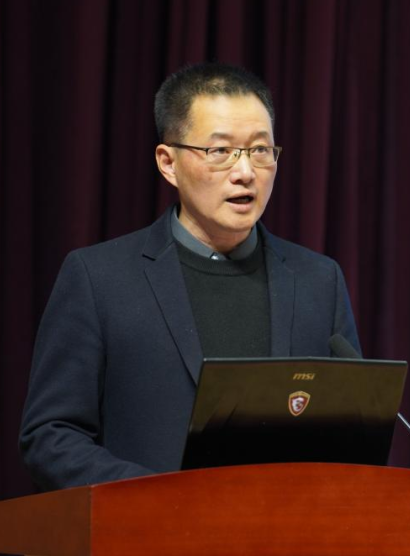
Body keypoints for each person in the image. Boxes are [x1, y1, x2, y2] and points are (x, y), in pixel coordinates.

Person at [19, 63, 362, 490]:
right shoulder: (99, 278)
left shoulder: (318, 281)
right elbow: (51, 436)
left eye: (260, 150)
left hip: (287, 531)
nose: (245, 171)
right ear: (168, 163)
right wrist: (158, 499)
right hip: (148, 529)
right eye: (220, 151)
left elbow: (353, 436)